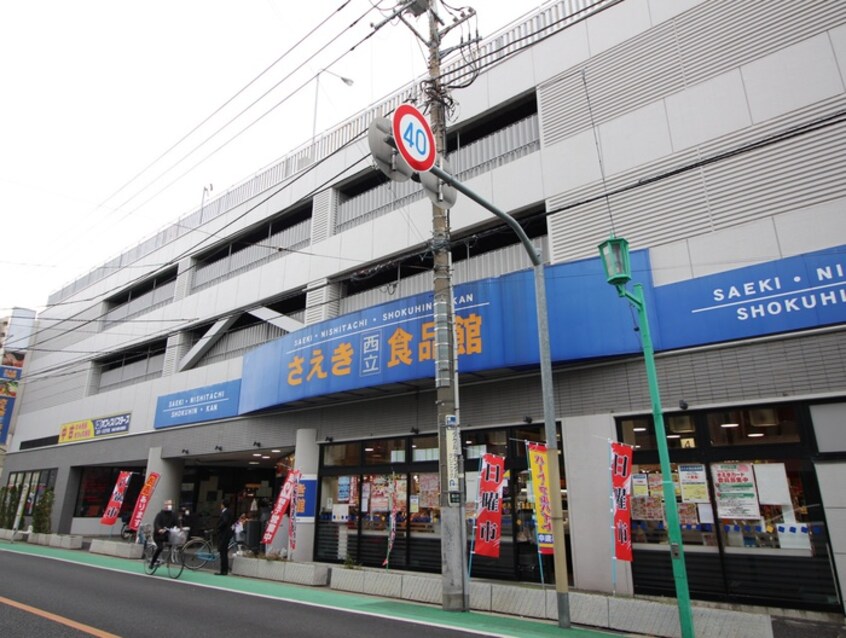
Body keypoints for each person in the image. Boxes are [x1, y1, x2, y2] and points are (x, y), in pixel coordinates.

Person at [149, 499, 179, 568]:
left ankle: (166, 560)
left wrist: (181, 529)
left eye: (170, 505)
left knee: (174, 544)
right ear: (164, 505)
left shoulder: (173, 515)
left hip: (168, 536)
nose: (169, 506)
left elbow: (177, 523)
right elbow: (156, 523)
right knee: (160, 547)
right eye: (167, 504)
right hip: (158, 536)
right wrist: (159, 529)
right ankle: (152, 562)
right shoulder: (160, 514)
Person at [215, 498, 235, 575]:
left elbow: (225, 521)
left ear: (223, 505)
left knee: (222, 552)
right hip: (227, 533)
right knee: (224, 552)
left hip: (224, 534)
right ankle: (224, 570)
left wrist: (219, 527)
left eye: (221, 504)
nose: (220, 505)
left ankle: (223, 570)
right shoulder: (229, 512)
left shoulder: (226, 512)